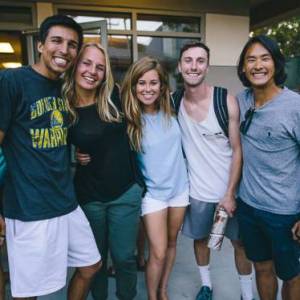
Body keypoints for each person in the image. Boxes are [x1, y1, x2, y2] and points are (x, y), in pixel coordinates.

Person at [0, 15, 101, 300]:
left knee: (91, 266)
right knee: (27, 291)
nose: (64, 50)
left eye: (72, 45)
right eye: (57, 41)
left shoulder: (65, 88)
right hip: (29, 208)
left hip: (66, 203)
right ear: (41, 44)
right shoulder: (11, 81)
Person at [173, 42, 254, 300]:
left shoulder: (224, 100)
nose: (193, 66)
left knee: (239, 244)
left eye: (199, 61)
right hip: (197, 192)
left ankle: (246, 294)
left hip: (230, 193)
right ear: (180, 66)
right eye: (188, 60)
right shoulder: (173, 102)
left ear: (207, 66)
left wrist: (230, 193)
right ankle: (206, 286)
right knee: (200, 240)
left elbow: (238, 150)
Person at [64, 42, 144, 300]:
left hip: (124, 191)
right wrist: (74, 156)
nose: (92, 71)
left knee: (124, 258)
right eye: (86, 63)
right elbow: (53, 145)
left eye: (100, 67)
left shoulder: (116, 96)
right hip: (89, 196)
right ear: (75, 65)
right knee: (94, 260)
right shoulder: (64, 105)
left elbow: (150, 107)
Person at [236, 35, 300, 300]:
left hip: (284, 212)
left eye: (265, 58)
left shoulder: (294, 106)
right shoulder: (241, 101)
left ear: (276, 64)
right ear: (243, 68)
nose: (258, 65)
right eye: (251, 59)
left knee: (292, 276)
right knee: (261, 267)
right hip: (249, 206)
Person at [121, 56, 189, 300]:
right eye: (141, 83)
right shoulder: (128, 120)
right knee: (158, 252)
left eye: (153, 83)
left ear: (162, 86)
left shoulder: (174, 110)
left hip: (180, 190)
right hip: (153, 195)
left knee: (171, 245)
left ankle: (163, 290)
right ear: (133, 85)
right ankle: (152, 296)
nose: (147, 89)